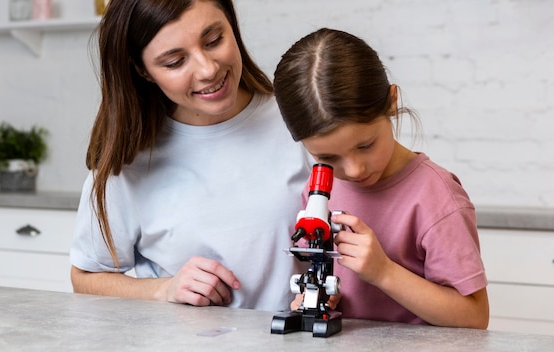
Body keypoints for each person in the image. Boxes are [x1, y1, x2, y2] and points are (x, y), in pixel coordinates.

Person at [69, 0, 312, 311]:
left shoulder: (300, 121)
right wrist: (165, 289)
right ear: (142, 70)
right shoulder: (128, 162)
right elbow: (85, 277)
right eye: (174, 62)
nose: (208, 69)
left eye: (214, 40)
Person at [273, 28, 489, 329]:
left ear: (392, 101)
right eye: (328, 159)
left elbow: (475, 318)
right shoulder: (319, 189)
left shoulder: (437, 197)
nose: (356, 170)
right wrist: (317, 300)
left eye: (365, 146)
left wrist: (383, 272)